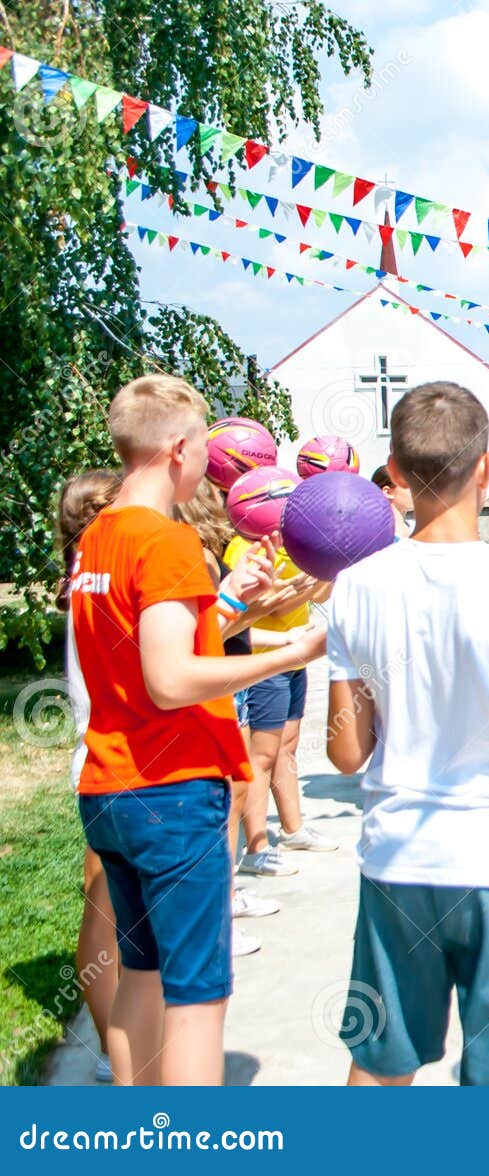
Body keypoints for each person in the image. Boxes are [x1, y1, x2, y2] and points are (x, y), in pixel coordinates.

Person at [322, 381, 489, 1086]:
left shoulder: (356, 586)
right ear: (486, 470)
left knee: (378, 1066)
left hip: (397, 862)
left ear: (398, 473)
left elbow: (347, 752)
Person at [70, 374, 321, 1085]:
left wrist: (230, 608)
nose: (211, 469)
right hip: (172, 793)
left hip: (112, 790)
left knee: (140, 979)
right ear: (178, 448)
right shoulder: (168, 541)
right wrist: (293, 652)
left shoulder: (99, 538)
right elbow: (172, 680)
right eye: (205, 452)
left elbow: (149, 645)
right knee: (197, 998)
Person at [175, 484, 288, 956]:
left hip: (227, 677)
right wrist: (286, 644)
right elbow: (206, 635)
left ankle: (226, 899)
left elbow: (221, 623)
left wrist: (250, 598)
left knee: (235, 790)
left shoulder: (203, 555)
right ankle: (218, 912)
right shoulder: (191, 556)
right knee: (225, 798)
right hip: (222, 681)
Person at [57, 469, 123, 1083]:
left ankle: (116, 1044)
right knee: (104, 907)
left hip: (105, 760)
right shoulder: (100, 577)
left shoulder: (86, 574)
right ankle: (111, 1047)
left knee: (106, 906)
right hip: (110, 762)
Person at [225, 531, 338, 878]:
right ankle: (256, 847)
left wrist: (327, 565)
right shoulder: (247, 549)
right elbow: (278, 605)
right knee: (260, 758)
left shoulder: (293, 548)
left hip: (292, 662)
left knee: (286, 749)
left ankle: (293, 829)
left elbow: (321, 593)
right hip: (264, 663)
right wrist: (310, 572)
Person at [372, 464, 413, 538]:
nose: (416, 490)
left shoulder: (410, 527)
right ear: (388, 492)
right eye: (408, 485)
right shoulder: (380, 535)